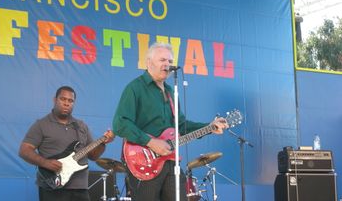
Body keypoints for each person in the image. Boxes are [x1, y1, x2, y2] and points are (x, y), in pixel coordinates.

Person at [112, 42, 228, 201]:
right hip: (144, 161)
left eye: (170, 61)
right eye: (162, 60)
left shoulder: (171, 91)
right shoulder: (135, 88)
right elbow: (120, 124)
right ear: (149, 62)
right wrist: (151, 142)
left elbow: (181, 126)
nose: (167, 64)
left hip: (171, 162)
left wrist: (209, 127)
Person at [19, 86, 114, 201]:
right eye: (63, 99)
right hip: (52, 186)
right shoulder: (41, 124)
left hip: (80, 188)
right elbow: (24, 150)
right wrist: (45, 163)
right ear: (55, 100)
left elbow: (93, 156)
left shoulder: (81, 126)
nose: (66, 103)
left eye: (70, 101)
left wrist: (103, 143)